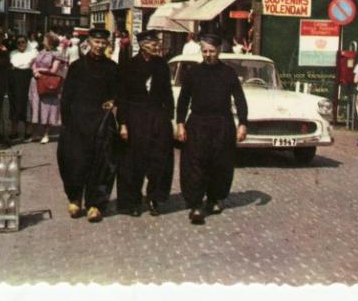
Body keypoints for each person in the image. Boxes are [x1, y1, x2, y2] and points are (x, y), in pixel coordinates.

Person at [175, 33, 248, 224]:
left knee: (220, 164)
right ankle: (196, 205)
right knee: (195, 165)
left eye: (212, 51)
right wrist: (180, 123)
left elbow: (240, 99)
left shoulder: (229, 73)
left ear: (219, 51)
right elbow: (183, 100)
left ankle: (215, 198)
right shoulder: (192, 73)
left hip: (222, 123)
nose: (208, 55)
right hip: (198, 123)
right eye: (205, 51)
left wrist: (243, 123)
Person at [59, 28, 119, 223]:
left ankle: (96, 204)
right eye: (97, 42)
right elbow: (67, 96)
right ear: (89, 42)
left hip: (101, 122)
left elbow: (119, 92)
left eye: (104, 43)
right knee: (75, 162)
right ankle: (75, 199)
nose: (100, 46)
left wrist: (114, 101)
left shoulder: (112, 67)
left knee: (101, 164)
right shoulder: (77, 67)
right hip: (78, 122)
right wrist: (66, 121)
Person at [115, 30, 175, 217]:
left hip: (158, 116)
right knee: (134, 162)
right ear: (141, 45)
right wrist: (123, 123)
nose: (156, 46)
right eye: (152, 43)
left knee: (159, 160)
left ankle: (154, 198)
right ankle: (133, 201)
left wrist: (169, 117)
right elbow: (122, 96)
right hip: (135, 117)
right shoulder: (129, 66)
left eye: (157, 42)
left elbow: (167, 93)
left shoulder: (162, 65)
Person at [27, 33, 66, 144]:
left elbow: (54, 70)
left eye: (45, 39)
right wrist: (35, 71)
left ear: (51, 42)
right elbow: (34, 63)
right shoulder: (41, 52)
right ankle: (35, 134)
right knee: (35, 106)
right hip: (36, 81)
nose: (43, 41)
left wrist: (40, 70)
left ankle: (46, 134)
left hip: (48, 83)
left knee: (47, 108)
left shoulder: (57, 54)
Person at [7, 35, 36, 141]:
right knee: (14, 104)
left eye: (23, 42)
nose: (21, 45)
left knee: (27, 104)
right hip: (14, 79)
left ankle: (28, 131)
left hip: (27, 78)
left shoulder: (33, 53)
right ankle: (14, 131)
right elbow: (10, 65)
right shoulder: (12, 53)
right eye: (18, 42)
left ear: (26, 42)